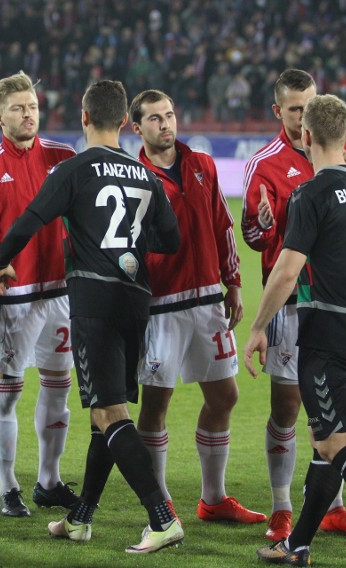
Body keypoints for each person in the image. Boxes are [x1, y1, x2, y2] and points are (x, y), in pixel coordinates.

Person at [0, 79, 184, 553]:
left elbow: (30, 221)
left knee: (109, 412)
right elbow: (170, 240)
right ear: (124, 122)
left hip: (94, 302)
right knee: (108, 410)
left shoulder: (73, 170)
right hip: (136, 300)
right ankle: (80, 519)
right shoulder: (146, 176)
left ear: (83, 118)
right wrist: (130, 247)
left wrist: (0, 261)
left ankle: (162, 519)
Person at [245, 94, 346, 567]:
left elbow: (288, 271)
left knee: (334, 442)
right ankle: (298, 544)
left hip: (326, 334)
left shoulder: (310, 193)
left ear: (306, 136)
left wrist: (257, 327)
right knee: (323, 440)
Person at [129, 89, 265, 525]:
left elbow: (223, 225)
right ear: (137, 128)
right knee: (155, 403)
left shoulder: (202, 164)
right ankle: (161, 499)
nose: (165, 124)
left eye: (169, 115)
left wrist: (235, 283)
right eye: (154, 118)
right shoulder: (131, 175)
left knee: (225, 395)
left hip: (208, 299)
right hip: (159, 305)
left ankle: (213, 498)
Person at [0, 71, 78, 517]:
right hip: (13, 295)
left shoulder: (64, 158)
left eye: (33, 106)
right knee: (8, 393)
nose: (29, 114)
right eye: (18, 108)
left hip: (61, 291)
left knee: (58, 389)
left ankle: (49, 480)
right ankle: (9, 487)